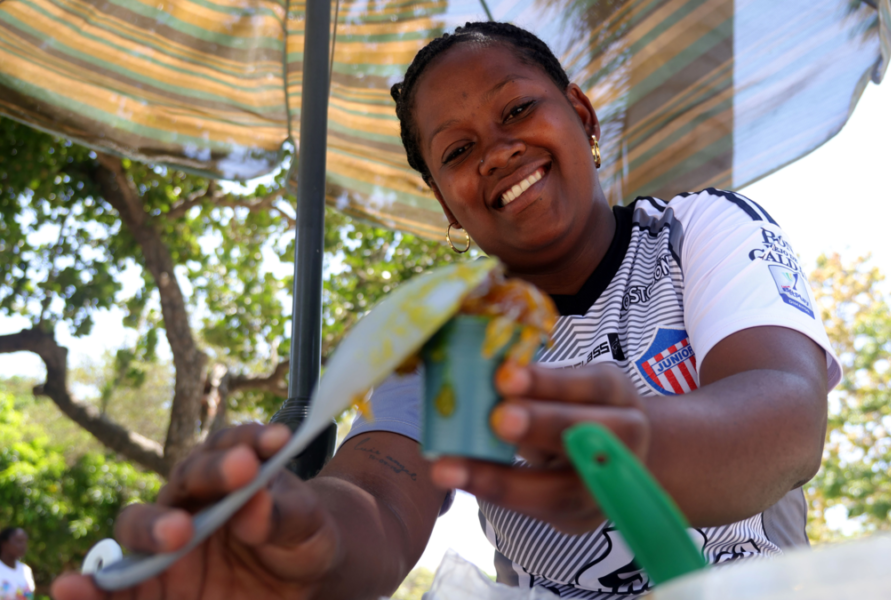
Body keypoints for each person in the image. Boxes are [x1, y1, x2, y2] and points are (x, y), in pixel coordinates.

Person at [53, 21, 840, 600]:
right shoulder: (459, 340)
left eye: (517, 110)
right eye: (457, 151)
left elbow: (786, 416)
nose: (497, 151)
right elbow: (381, 500)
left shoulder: (697, 233)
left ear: (583, 116)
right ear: (446, 206)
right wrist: (302, 538)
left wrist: (639, 445)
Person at [0, 528, 34, 600]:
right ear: (4, 543)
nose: (23, 545)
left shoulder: (26, 570)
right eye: (19, 541)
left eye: (25, 541)